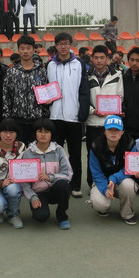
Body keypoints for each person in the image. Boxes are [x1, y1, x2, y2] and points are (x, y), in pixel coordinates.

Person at [47, 32, 90, 198]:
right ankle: (56, 183)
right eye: (60, 44)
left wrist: (82, 114)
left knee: (75, 154)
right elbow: (46, 89)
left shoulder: (79, 64)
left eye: (66, 43)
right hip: (55, 116)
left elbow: (84, 90)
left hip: (74, 117)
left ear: (71, 44)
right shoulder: (50, 65)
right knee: (55, 153)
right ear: (55, 46)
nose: (63, 46)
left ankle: (75, 185)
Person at [20, 119, 73, 229]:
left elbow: (68, 174)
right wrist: (32, 197)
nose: (43, 135)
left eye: (47, 132)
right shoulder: (27, 153)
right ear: (35, 133)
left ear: (51, 134)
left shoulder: (59, 150)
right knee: (41, 217)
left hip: (56, 189)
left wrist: (50, 177)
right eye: (40, 131)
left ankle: (62, 216)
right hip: (38, 193)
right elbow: (24, 182)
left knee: (64, 185)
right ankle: (39, 209)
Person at [85, 45, 124, 188]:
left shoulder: (117, 75)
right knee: (93, 153)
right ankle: (93, 184)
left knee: (112, 154)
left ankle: (113, 183)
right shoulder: (86, 76)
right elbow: (83, 98)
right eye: (96, 58)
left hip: (111, 122)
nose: (99, 61)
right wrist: (93, 111)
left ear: (108, 59)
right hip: (93, 122)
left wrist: (113, 110)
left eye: (102, 58)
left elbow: (120, 96)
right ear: (92, 59)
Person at [89, 116, 138, 225]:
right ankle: (103, 208)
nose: (113, 132)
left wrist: (114, 178)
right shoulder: (96, 146)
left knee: (129, 186)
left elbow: (129, 168)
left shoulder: (130, 144)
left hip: (122, 180)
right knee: (100, 205)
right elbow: (96, 173)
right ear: (104, 131)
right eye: (110, 129)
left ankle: (127, 213)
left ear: (122, 132)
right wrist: (105, 189)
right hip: (103, 181)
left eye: (117, 130)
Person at [2, 35, 49, 145]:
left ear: (33, 49)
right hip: (17, 120)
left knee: (36, 152)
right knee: (19, 152)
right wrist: (7, 119)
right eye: (22, 48)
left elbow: (46, 94)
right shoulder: (11, 72)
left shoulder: (41, 71)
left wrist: (45, 117)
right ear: (18, 50)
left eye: (28, 48)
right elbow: (6, 96)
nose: (25, 51)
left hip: (37, 120)